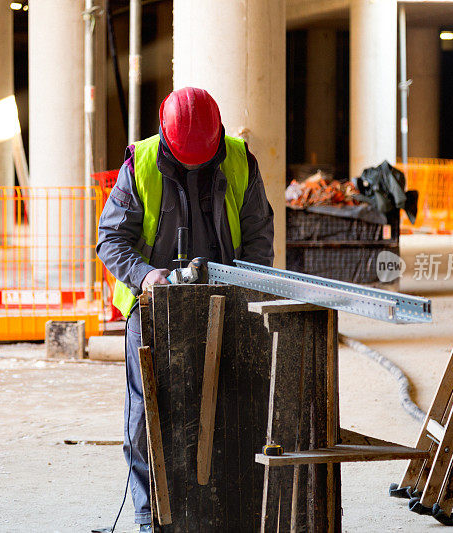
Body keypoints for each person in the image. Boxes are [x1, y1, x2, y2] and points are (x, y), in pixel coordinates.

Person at [96, 86, 274, 532]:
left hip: (228, 300)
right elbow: (110, 240)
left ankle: (228, 510)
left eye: (202, 158)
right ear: (167, 137)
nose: (194, 165)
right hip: (154, 303)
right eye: (186, 159)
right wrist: (146, 276)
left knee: (235, 404)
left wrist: (246, 287)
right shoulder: (140, 165)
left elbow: (258, 236)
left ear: (217, 138)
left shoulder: (239, 160)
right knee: (148, 413)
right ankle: (148, 516)